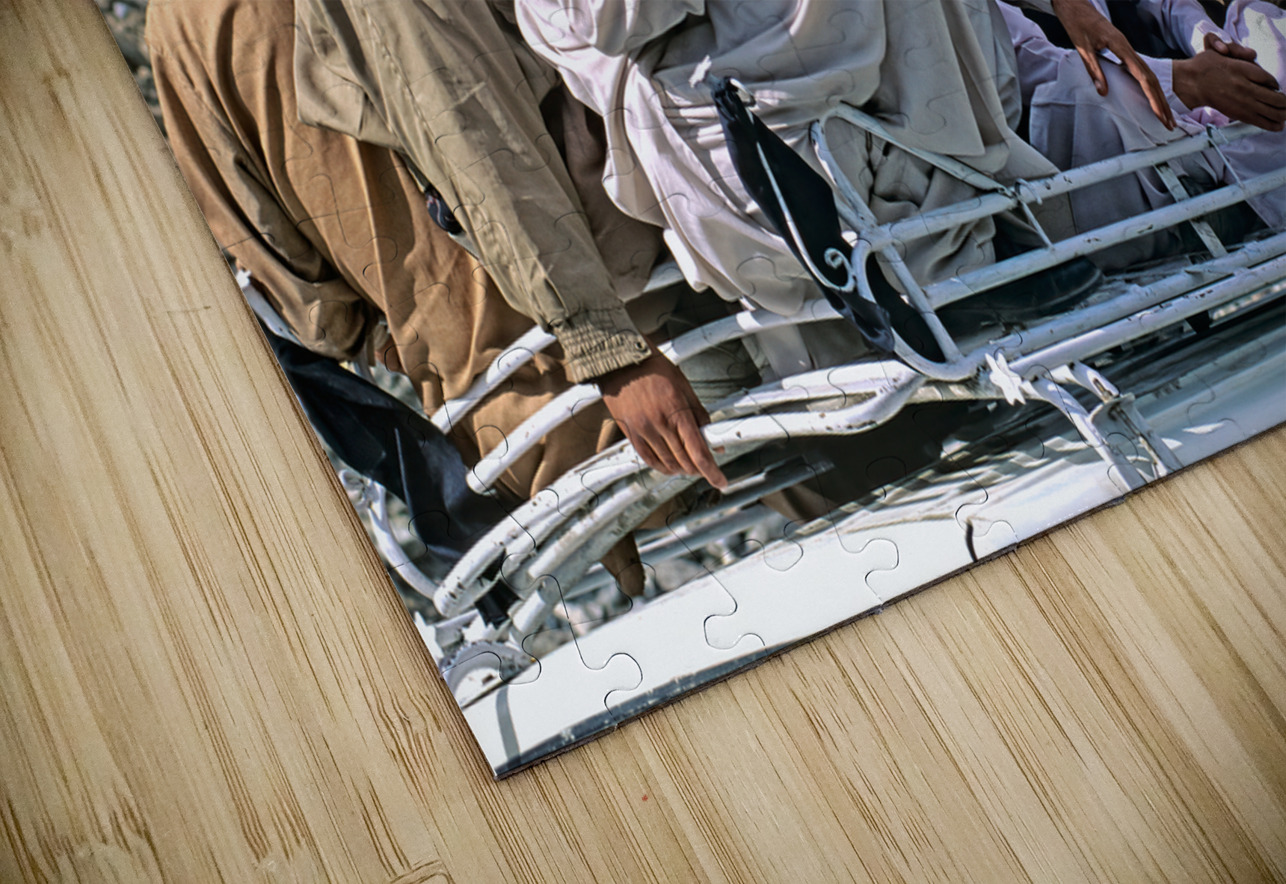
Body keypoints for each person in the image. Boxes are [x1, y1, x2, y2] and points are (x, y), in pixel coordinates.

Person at [292, 0, 729, 489]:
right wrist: (608, 350)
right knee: (782, 460)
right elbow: (480, 145)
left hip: (684, 216)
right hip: (660, 249)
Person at [999, 0, 1286, 265]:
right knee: (1085, 83)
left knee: (1260, 19)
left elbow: (1165, 4)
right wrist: (1187, 81)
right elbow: (1036, 66)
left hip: (1184, 122)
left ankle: (1241, 181)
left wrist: (1211, 45)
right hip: (1101, 161)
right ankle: (1213, 201)